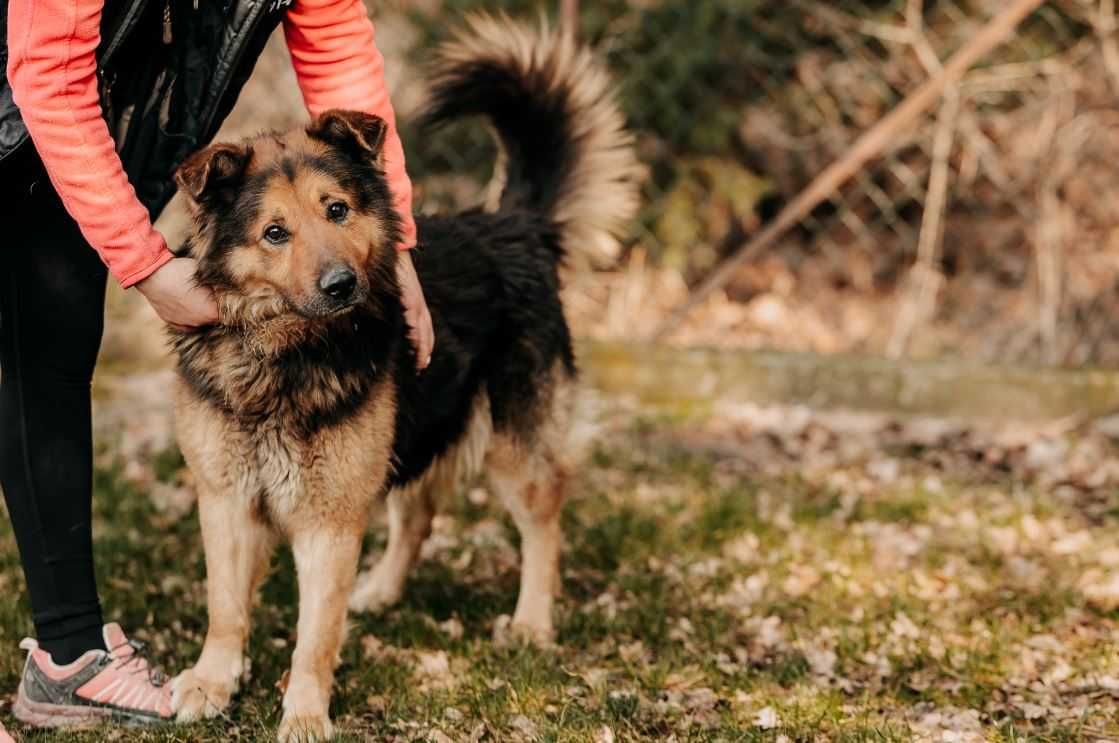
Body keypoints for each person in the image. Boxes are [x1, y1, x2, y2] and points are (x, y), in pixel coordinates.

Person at [0, 0, 434, 733]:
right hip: (33, 85)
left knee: (50, 341)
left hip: (75, 115)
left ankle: (66, 656)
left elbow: (335, 44)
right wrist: (145, 266)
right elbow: (47, 67)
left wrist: (396, 245)